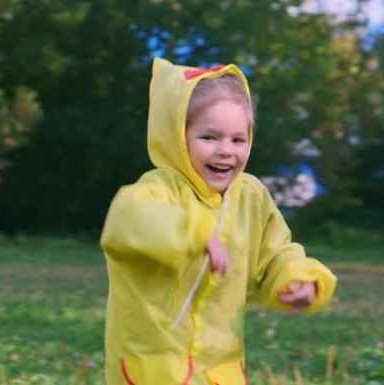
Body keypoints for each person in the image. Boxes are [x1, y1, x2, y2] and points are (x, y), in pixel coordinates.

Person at [100, 57, 337, 385]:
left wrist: (296, 279)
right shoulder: (159, 189)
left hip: (219, 368)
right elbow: (132, 220)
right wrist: (194, 232)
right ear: (177, 137)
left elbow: (276, 254)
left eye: (237, 140)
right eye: (209, 138)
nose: (226, 151)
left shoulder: (252, 198)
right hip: (155, 363)